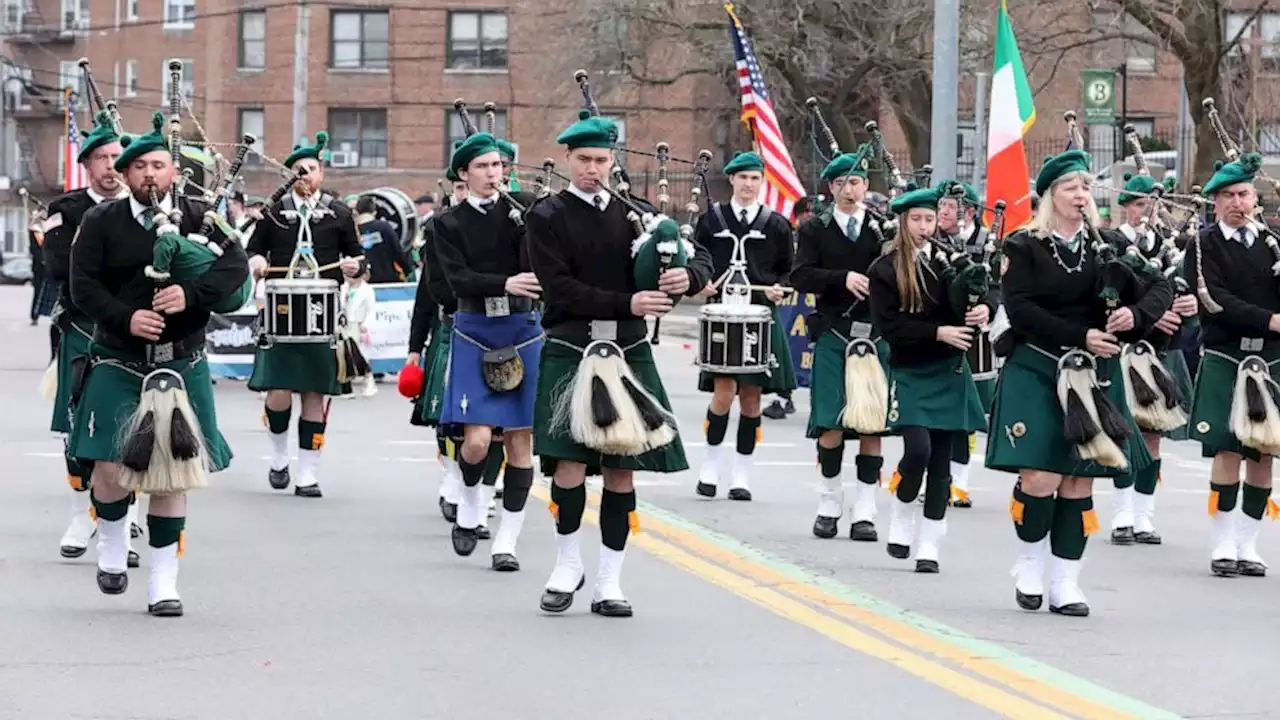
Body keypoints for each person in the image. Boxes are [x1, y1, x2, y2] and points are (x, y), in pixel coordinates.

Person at [526, 110, 712, 617]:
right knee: (567, 464)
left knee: (621, 470)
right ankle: (567, 563)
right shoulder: (546, 216)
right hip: (571, 344)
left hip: (627, 351)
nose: (593, 168)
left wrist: (686, 279)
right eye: (583, 160)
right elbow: (557, 286)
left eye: (602, 159)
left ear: (613, 160)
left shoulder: (636, 213)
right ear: (567, 160)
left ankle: (609, 580)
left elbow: (696, 257)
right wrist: (624, 303)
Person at [67, 110, 248, 616]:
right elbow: (83, 289)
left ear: (174, 171)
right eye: (140, 166)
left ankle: (163, 583)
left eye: (160, 165)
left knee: (172, 475)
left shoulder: (199, 215)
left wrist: (190, 297)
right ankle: (111, 545)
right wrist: (128, 319)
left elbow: (234, 267)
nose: (151, 174)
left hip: (181, 360)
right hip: (119, 357)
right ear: (124, 175)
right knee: (108, 467)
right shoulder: (100, 221)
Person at [986, 148, 1171, 617]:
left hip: (1092, 375)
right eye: (1070, 187)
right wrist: (1079, 334)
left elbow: (1162, 287)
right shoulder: (1023, 246)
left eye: (1086, 187)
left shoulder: (1106, 247)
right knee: (1041, 475)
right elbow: (1021, 308)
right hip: (1036, 365)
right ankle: (1029, 563)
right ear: (1049, 196)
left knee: (1078, 482)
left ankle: (1066, 581)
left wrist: (1137, 315)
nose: (1081, 195)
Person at [432, 130, 543, 569]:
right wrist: (503, 282)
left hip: (522, 327)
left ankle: (506, 542)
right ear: (464, 173)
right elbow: (456, 280)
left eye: (498, 166)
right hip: (475, 326)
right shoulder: (447, 223)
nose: (492, 173)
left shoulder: (525, 212)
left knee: (521, 442)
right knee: (476, 441)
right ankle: (470, 503)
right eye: (482, 167)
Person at [868, 184, 991, 572]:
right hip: (910, 367)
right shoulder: (884, 269)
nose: (925, 226)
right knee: (917, 450)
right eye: (917, 219)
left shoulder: (949, 261)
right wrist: (937, 333)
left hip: (949, 369)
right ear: (903, 223)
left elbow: (990, 291)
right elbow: (888, 325)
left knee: (941, 463)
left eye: (930, 219)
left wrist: (984, 307)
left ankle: (930, 543)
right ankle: (903, 512)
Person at [41, 110, 137, 564]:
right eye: (101, 157)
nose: (110, 165)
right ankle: (82, 513)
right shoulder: (66, 210)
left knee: (135, 424)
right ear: (88, 164)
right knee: (78, 427)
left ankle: (125, 513)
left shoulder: (146, 209)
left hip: (131, 332)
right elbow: (58, 268)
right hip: (82, 329)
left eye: (117, 156)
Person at [246, 131, 363, 498]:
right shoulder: (273, 212)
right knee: (278, 390)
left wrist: (353, 268)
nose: (305, 175)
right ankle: (280, 457)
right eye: (299, 169)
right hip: (281, 311)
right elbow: (253, 252)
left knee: (315, 393)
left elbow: (359, 259)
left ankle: (308, 473)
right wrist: (259, 262)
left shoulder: (340, 213)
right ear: (289, 174)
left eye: (311, 168)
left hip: (323, 312)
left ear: (321, 173)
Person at [1184, 153, 1280, 578]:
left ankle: (1248, 542)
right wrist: (1269, 319)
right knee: (1227, 449)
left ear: (1255, 198)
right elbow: (1213, 300)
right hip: (1226, 353)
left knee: (1264, 451)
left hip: (1272, 356)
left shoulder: (1272, 242)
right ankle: (1223, 541)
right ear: (1215, 202)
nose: (1237, 203)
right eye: (1228, 196)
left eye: (1243, 194)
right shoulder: (1203, 244)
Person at [791, 144, 891, 543]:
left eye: (857, 181)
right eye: (842, 183)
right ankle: (829, 502)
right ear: (830, 188)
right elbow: (800, 275)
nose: (850, 189)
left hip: (876, 333)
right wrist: (842, 278)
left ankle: (865, 509)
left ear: (866, 185)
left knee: (872, 426)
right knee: (831, 424)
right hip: (835, 331)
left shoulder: (883, 228)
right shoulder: (815, 229)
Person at [692, 151, 796, 502]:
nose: (749, 185)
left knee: (751, 397)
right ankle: (709, 464)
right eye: (743, 178)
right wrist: (702, 281)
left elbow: (788, 267)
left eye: (755, 179)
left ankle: (741, 473)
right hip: (722, 311)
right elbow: (696, 259)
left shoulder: (776, 223)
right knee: (724, 391)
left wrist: (781, 286)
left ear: (761, 183)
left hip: (759, 313)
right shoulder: (712, 220)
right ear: (732, 180)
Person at [1108, 173, 1197, 544]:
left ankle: (1144, 515)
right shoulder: (1110, 244)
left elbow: (1188, 292)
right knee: (1120, 434)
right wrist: (1148, 312)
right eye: (1140, 204)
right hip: (1121, 350)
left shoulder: (1171, 246)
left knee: (1152, 437)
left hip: (1159, 351)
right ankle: (1121, 513)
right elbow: (1107, 296)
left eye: (1152, 205)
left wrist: (1192, 308)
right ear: (1126, 206)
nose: (1146, 212)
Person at [933, 180, 993, 509]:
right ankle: (937, 478)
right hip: (940, 333)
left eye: (947, 207)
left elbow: (999, 284)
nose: (940, 213)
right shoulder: (930, 240)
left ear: (968, 211)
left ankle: (960, 482)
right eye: (939, 206)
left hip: (974, 339)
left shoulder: (986, 242)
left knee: (966, 415)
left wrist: (989, 307)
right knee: (938, 413)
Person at [763, 195, 815, 421]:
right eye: (809, 212)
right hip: (789, 305)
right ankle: (782, 397)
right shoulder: (789, 239)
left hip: (813, 306)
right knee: (785, 349)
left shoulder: (823, 238)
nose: (812, 216)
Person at [354, 195, 412, 284]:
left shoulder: (352, 230)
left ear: (357, 211)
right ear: (374, 212)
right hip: (387, 279)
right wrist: (408, 270)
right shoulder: (384, 227)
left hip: (362, 281)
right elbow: (397, 251)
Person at [341, 261, 377, 398]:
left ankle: (368, 380)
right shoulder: (343, 288)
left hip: (358, 325)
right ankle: (346, 388)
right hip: (344, 325)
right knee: (344, 355)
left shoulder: (367, 290)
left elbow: (371, 310)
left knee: (359, 355)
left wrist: (366, 325)